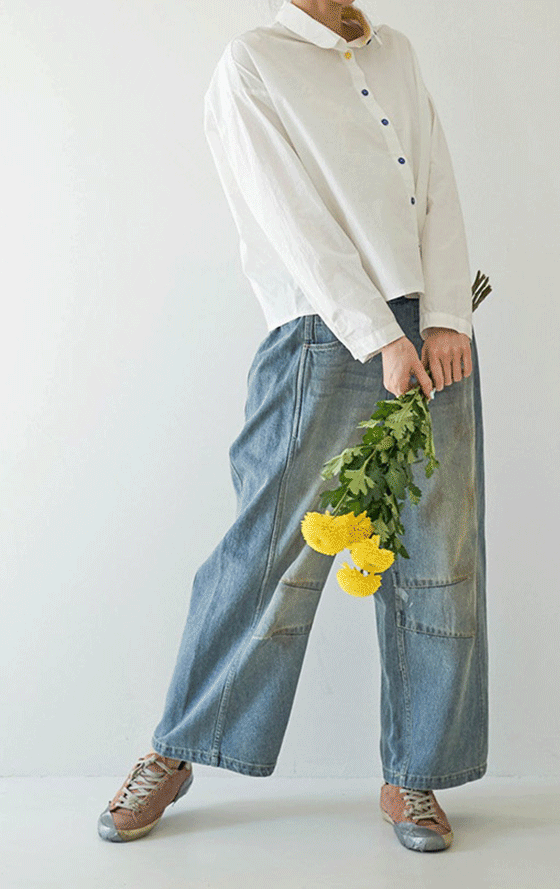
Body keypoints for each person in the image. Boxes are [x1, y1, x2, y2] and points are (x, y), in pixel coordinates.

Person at [97, 0, 487, 853]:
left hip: (431, 328)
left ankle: (413, 772)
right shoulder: (254, 62)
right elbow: (289, 216)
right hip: (322, 328)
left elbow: (437, 186)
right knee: (266, 548)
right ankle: (174, 746)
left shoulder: (395, 53)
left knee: (438, 554)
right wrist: (379, 334)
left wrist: (447, 315)